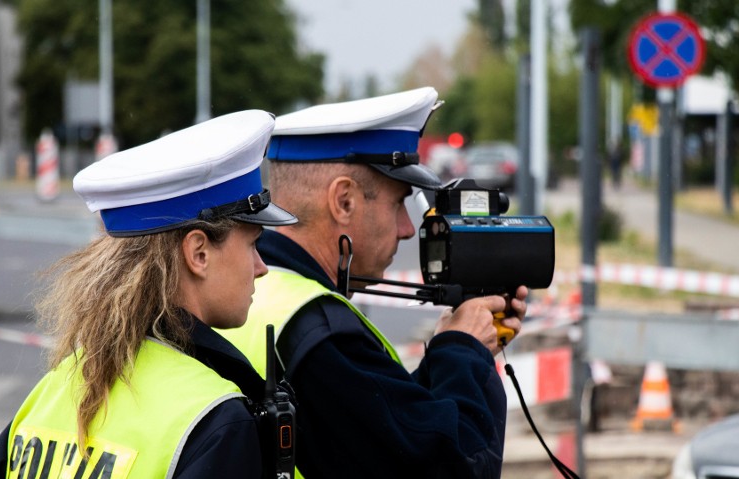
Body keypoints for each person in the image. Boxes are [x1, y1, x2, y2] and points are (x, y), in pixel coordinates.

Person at [0, 110, 298, 479]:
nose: (261, 266)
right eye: (253, 243)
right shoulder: (217, 422)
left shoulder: (59, 385)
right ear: (198, 253)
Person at [219, 87, 529, 478]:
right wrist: (463, 354)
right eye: (398, 203)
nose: (405, 229)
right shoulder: (322, 336)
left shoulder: (250, 294)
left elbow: (373, 432)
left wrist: (448, 350)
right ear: (344, 201)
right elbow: (451, 466)